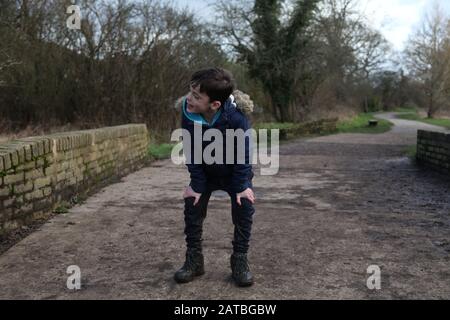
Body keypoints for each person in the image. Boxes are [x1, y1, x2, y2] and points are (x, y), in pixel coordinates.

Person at [174, 67, 256, 287]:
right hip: (206, 171)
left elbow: (243, 153)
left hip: (234, 172)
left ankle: (239, 260)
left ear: (215, 104)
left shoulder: (236, 117)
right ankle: (194, 260)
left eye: (197, 96)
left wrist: (241, 185)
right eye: (190, 92)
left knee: (244, 202)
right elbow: (191, 149)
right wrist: (197, 185)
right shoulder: (188, 112)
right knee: (193, 200)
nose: (189, 99)